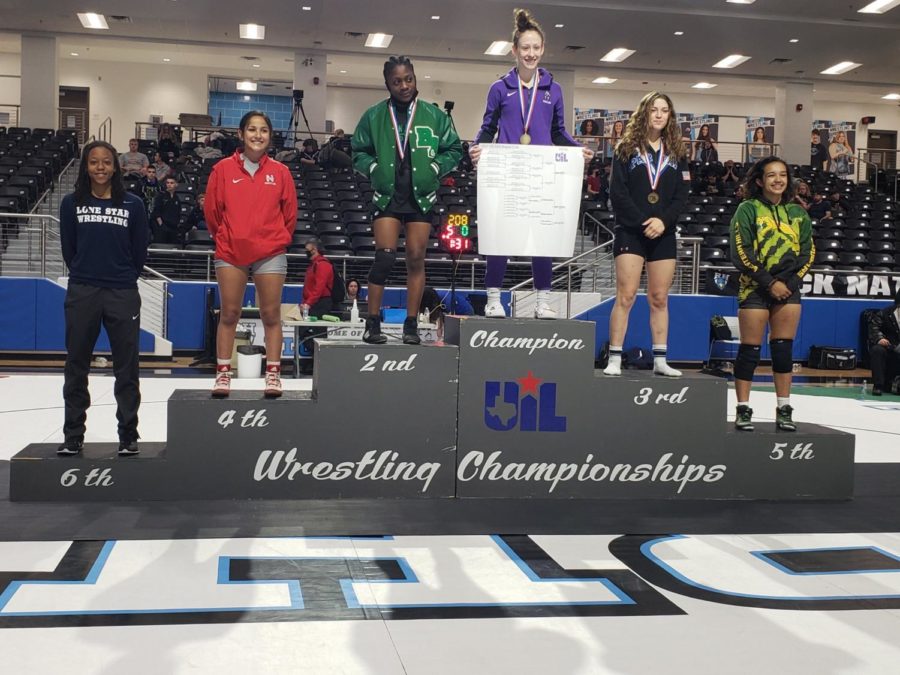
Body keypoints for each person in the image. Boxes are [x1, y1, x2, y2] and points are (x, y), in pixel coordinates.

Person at [469, 8, 594, 319]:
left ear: (543, 49)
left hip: (541, 175)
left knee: (543, 236)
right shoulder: (500, 88)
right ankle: (494, 298)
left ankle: (542, 300)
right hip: (508, 174)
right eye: (525, 48)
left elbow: (558, 132)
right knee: (500, 235)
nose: (531, 53)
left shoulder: (554, 88)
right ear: (515, 50)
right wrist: (476, 148)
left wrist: (579, 150)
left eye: (536, 47)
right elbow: (488, 127)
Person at [352, 55, 462, 344]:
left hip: (420, 196)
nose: (404, 85)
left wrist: (437, 167)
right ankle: (372, 323)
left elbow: (454, 149)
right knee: (385, 257)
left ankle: (411, 325)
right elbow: (358, 152)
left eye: (408, 79)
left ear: (415, 79)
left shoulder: (434, 115)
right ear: (387, 83)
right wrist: (373, 168)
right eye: (397, 81)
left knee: (415, 259)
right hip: (388, 194)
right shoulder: (374, 115)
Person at [58, 140, 150, 456]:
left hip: (122, 292)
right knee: (76, 365)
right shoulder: (71, 203)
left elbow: (139, 251)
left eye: (106, 162)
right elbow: (69, 250)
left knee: (127, 369)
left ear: (115, 166)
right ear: (86, 166)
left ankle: (128, 435)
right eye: (94, 162)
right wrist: (86, 275)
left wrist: (122, 277)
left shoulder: (133, 205)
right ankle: (72, 436)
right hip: (83, 290)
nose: (100, 168)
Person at [204, 110, 297, 398]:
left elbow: (290, 215)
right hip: (231, 251)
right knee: (229, 313)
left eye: (264, 130)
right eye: (252, 129)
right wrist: (228, 235)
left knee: (271, 315)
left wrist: (274, 237)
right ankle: (222, 374)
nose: (258, 135)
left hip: (270, 252)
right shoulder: (222, 169)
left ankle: (272, 375)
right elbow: (212, 212)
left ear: (270, 136)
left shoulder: (281, 172)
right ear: (241, 134)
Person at [603, 91, 690, 378]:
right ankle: (615, 357)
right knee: (626, 296)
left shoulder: (677, 152)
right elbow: (618, 194)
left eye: (665, 110)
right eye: (654, 109)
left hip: (663, 233)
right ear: (644, 113)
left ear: (670, 116)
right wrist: (644, 223)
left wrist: (663, 222)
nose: (659, 114)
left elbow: (681, 195)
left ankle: (661, 359)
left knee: (659, 297)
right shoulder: (626, 148)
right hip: (631, 231)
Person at [729, 156, 814, 431]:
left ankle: (784, 407)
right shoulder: (748, 209)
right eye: (771, 175)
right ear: (759, 180)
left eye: (783, 175)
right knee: (750, 351)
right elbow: (741, 252)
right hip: (755, 286)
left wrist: (789, 282)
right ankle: (743, 409)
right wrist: (769, 283)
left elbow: (808, 252)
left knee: (782, 351)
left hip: (789, 288)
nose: (778, 180)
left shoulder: (799, 213)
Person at [867, 291, 900, 396]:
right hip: (890, 349)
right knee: (877, 350)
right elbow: (874, 327)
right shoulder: (885, 313)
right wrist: (879, 338)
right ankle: (878, 385)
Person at [300, 239, 335, 318]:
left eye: (307, 250)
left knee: (317, 329)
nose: (306, 252)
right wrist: (305, 302)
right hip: (312, 302)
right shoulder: (314, 265)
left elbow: (319, 287)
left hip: (320, 303)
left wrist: (308, 303)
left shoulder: (322, 264)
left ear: (314, 249)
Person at [150, 176, 182, 244]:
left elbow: (178, 212)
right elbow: (157, 211)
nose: (169, 184)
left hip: (173, 227)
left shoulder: (177, 198)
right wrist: (161, 225)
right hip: (162, 226)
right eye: (167, 183)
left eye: (171, 183)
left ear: (176, 184)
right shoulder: (161, 195)